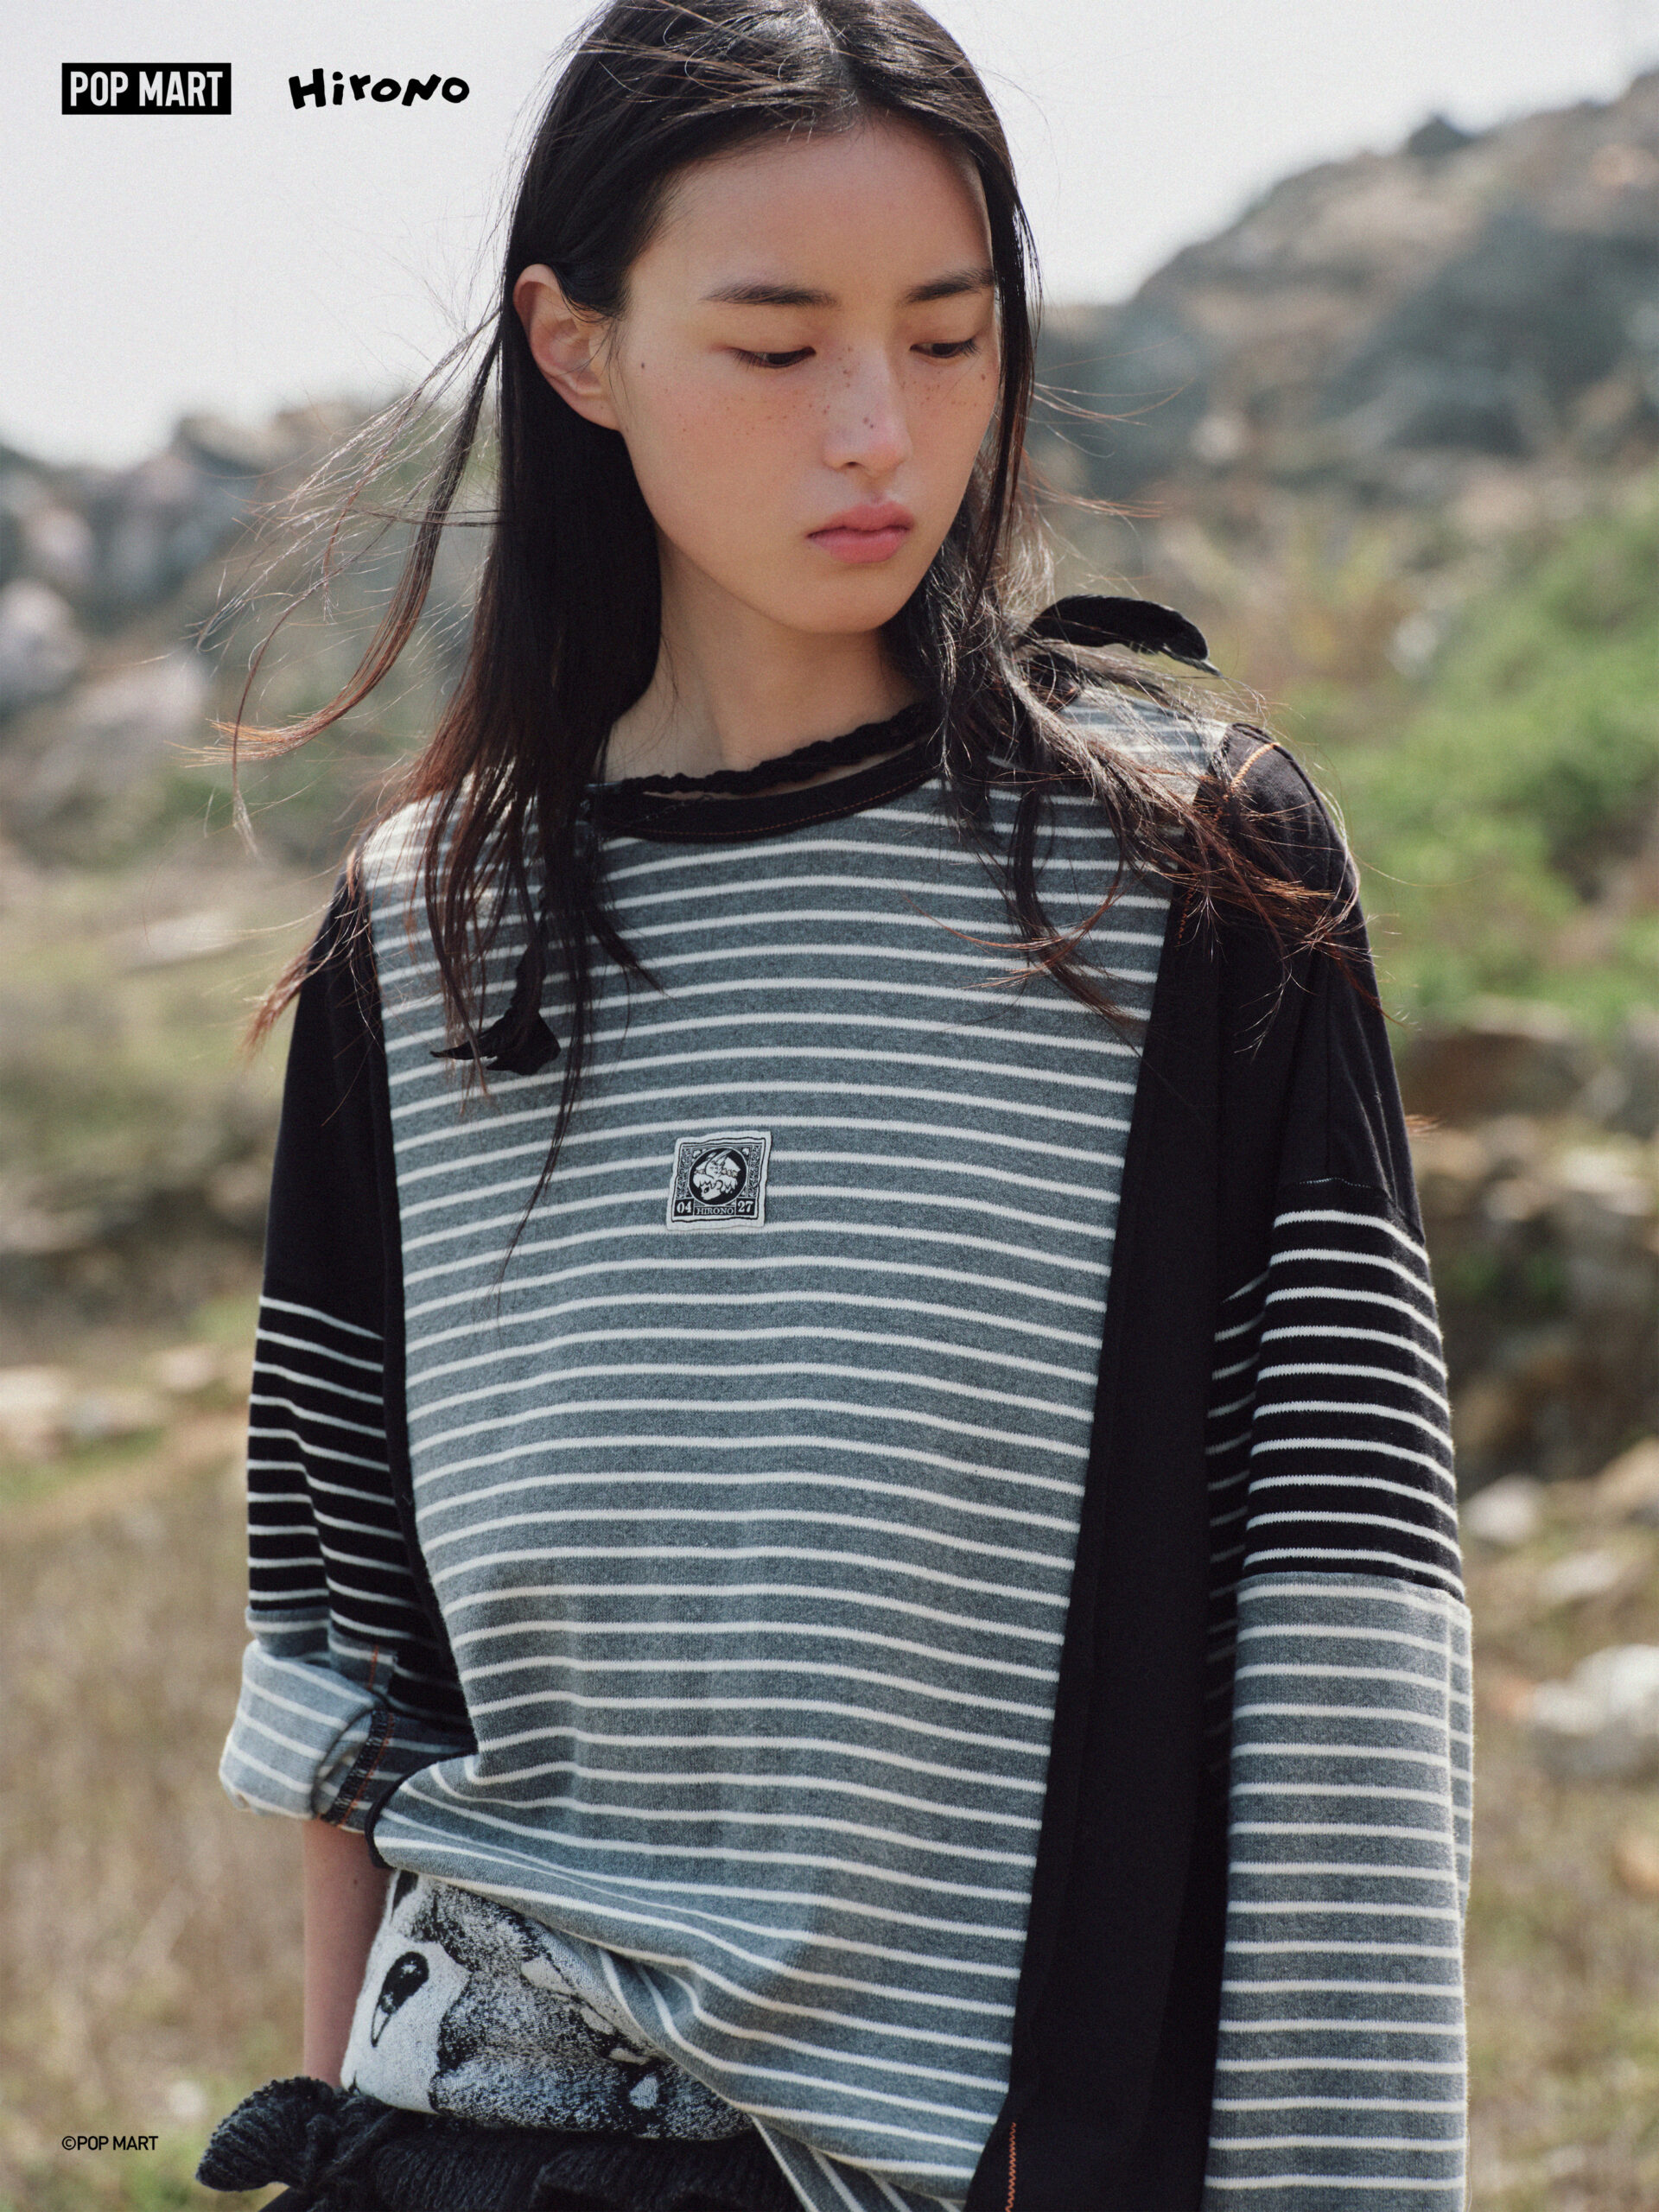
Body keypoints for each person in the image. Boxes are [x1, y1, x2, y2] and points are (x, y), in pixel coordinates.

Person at [196, 4, 1471, 2209]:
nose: (881, 429)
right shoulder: (417, 938)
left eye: (949, 337)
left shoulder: (1189, 880)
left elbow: (1346, 1648)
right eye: (778, 346)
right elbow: (346, 1668)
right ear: (577, 346)